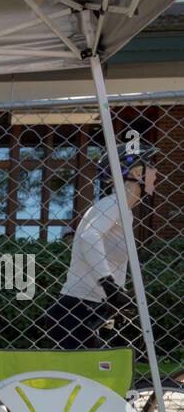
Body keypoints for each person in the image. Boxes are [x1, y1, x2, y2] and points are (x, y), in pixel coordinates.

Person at [47, 143, 160, 350]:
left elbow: (109, 258)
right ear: (136, 172)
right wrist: (108, 284)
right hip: (78, 309)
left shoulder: (124, 211)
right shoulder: (114, 204)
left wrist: (119, 297)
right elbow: (89, 236)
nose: (156, 172)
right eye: (151, 166)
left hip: (92, 309)